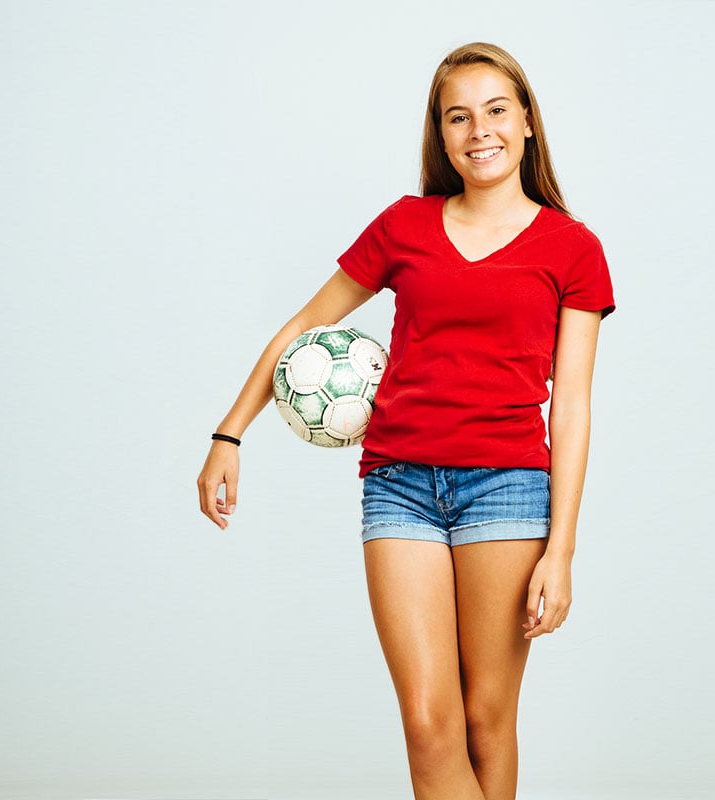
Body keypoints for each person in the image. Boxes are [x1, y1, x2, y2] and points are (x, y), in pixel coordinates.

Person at [197, 42, 614, 800]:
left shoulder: (574, 248)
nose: (477, 130)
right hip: (399, 486)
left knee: (488, 721)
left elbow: (576, 404)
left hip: (507, 489)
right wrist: (230, 433)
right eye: (458, 116)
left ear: (526, 123)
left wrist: (563, 550)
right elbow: (301, 326)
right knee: (429, 724)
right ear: (441, 133)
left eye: (495, 110)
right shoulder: (405, 224)